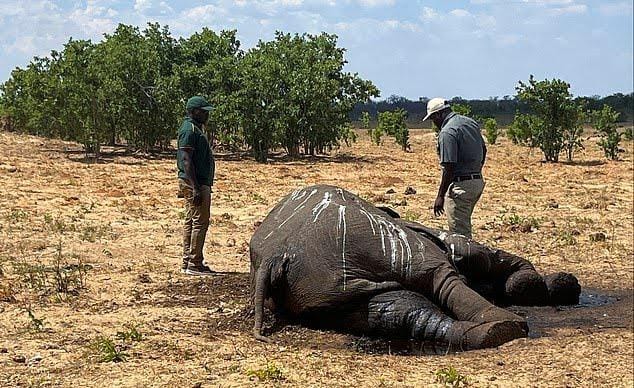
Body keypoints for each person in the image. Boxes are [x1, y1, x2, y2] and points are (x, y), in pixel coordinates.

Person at [422, 97, 487, 239]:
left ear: (439, 114)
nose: (434, 123)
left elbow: (449, 167)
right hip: (477, 182)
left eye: (433, 119)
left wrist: (440, 196)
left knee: (460, 236)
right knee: (464, 225)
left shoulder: (447, 132)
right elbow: (484, 149)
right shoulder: (470, 123)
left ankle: (467, 260)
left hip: (461, 187)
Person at [177, 96, 216, 275]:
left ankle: (189, 261)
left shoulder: (195, 129)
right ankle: (194, 263)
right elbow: (186, 159)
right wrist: (195, 187)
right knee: (199, 222)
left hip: (197, 182)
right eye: (203, 111)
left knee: (191, 221)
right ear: (194, 112)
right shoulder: (189, 130)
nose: (207, 114)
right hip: (195, 183)